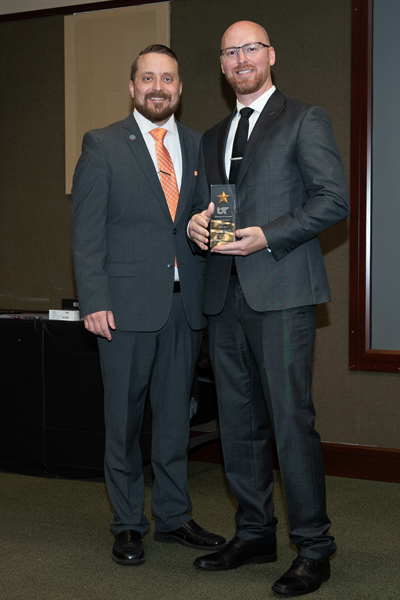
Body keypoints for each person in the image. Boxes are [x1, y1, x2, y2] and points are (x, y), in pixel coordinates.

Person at [188, 21, 350, 595]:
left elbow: (334, 199)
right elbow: (211, 206)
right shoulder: (211, 136)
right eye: (229, 51)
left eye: (249, 48)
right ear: (223, 65)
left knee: (289, 422)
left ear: (270, 55)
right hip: (223, 297)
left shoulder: (304, 118)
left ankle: (313, 546)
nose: (240, 58)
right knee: (237, 423)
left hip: (281, 292)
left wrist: (269, 235)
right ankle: (254, 533)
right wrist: (196, 222)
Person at [71, 44, 226, 566]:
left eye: (168, 79)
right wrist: (93, 299)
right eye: (147, 78)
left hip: (185, 309)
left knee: (175, 420)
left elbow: (202, 219)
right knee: (124, 420)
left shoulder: (198, 145)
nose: (157, 87)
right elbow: (86, 234)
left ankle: (175, 518)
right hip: (123, 309)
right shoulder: (101, 144)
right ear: (132, 87)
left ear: (180, 88)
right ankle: (128, 524)